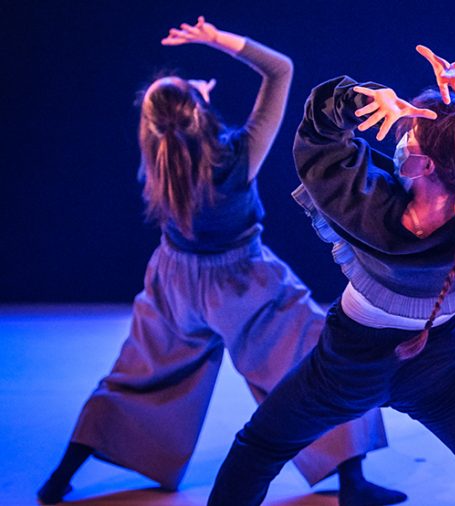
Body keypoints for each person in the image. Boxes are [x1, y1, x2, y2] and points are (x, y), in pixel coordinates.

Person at [37, 17, 404, 506]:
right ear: (199, 112)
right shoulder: (239, 155)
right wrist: (219, 41)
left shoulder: (157, 157)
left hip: (173, 281)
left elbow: (168, 119)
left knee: (136, 375)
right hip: (241, 281)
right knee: (320, 358)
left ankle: (62, 475)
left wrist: (192, 97)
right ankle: (353, 483)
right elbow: (280, 71)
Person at [206, 45, 455, 505]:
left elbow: (319, 138)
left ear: (426, 164)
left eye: (409, 134)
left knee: (259, 447)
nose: (402, 138)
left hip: (350, 364)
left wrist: (360, 101)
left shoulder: (369, 212)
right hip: (442, 364)